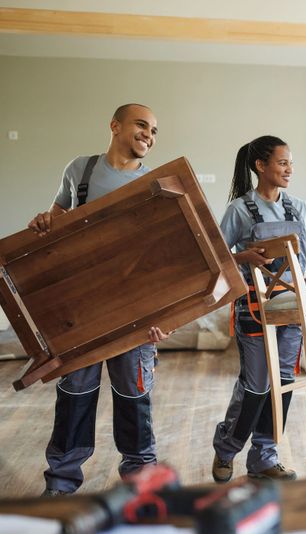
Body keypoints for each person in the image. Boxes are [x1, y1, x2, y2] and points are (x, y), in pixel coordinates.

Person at [28, 103, 170, 496]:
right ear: (115, 126)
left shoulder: (156, 184)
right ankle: (61, 483)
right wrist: (44, 221)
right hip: (81, 308)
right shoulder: (81, 170)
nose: (149, 135)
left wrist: (163, 314)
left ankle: (143, 484)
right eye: (142, 125)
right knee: (74, 396)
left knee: (134, 399)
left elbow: (162, 257)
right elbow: (56, 221)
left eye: (155, 131)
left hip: (134, 309)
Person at [211, 135, 306, 483]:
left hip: (293, 310)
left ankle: (265, 457)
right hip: (254, 308)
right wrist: (244, 256)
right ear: (261, 166)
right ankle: (226, 448)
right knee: (256, 387)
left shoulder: (300, 207)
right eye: (282, 163)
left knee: (282, 384)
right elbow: (216, 258)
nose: (289, 169)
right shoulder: (239, 209)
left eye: (290, 163)